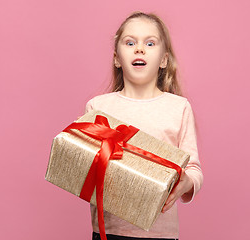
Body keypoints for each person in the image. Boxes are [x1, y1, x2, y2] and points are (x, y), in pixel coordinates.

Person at [85, 11, 203, 240]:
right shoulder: (97, 108)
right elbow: (86, 167)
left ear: (164, 60)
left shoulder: (179, 108)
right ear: (117, 58)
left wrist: (187, 182)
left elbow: (193, 169)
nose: (139, 48)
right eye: (130, 42)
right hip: (109, 232)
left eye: (150, 43)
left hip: (160, 234)